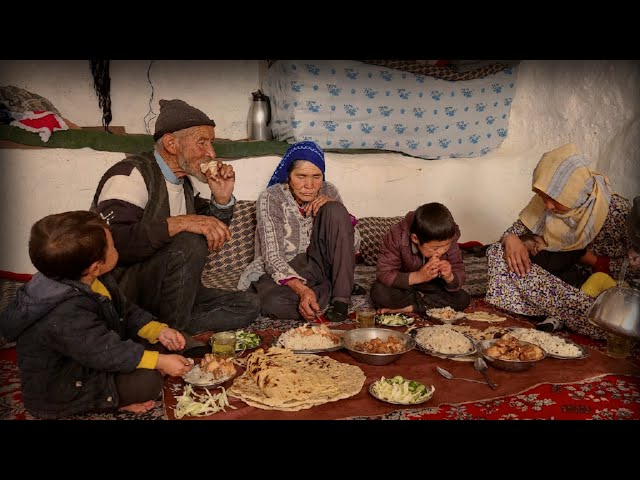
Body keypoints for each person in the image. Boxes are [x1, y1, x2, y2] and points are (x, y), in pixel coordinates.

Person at [0, 211, 194, 419]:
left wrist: (159, 330)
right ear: (95, 266)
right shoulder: (64, 313)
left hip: (93, 354)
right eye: (112, 246)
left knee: (173, 343)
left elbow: (125, 311)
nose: (116, 246)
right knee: (149, 383)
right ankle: (111, 402)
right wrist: (160, 362)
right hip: (65, 389)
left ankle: (138, 375)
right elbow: (107, 353)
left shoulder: (92, 276)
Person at [90, 99, 260, 336]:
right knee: (189, 241)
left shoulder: (184, 183)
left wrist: (221, 199)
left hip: (171, 291)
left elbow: (210, 233)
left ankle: (157, 328)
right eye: (202, 142)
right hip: (125, 292)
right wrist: (182, 222)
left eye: (211, 143)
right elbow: (115, 242)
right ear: (171, 143)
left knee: (248, 305)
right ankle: (167, 338)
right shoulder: (131, 174)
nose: (211, 153)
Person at [485, 143, 632, 339]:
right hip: (556, 276)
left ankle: (565, 312)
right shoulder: (546, 200)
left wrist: (595, 262)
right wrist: (510, 238)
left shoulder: (616, 211)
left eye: (554, 199)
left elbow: (633, 268)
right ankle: (566, 314)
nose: (548, 205)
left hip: (597, 284)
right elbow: (513, 233)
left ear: (573, 191)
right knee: (496, 252)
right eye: (543, 197)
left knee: (612, 304)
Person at [237, 141, 361, 322]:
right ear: (288, 176)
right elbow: (272, 256)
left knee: (335, 210)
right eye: (301, 176)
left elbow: (353, 244)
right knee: (270, 302)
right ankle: (337, 287)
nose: (309, 185)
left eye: (316, 176)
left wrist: (336, 210)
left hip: (321, 264)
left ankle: (341, 299)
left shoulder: (329, 191)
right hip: (289, 267)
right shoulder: (272, 198)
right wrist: (302, 290)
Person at [370, 202, 470, 314]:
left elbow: (458, 269)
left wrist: (450, 277)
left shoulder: (448, 235)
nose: (441, 251)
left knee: (462, 298)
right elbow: (384, 273)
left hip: (433, 287)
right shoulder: (396, 236)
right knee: (379, 292)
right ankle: (427, 305)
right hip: (405, 286)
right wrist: (418, 276)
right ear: (415, 238)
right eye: (435, 248)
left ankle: (408, 308)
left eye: (446, 247)